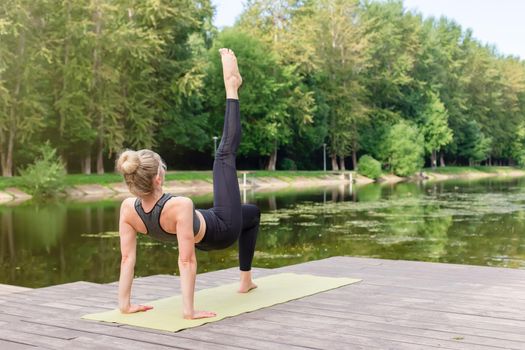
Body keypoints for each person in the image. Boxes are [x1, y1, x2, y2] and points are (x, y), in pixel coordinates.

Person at [115, 48, 260, 320]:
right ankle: (232, 86)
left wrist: (125, 305)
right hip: (223, 229)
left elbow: (126, 260)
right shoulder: (180, 205)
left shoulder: (127, 209)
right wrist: (189, 312)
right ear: (158, 177)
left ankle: (246, 280)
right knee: (224, 154)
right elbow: (186, 260)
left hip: (211, 231)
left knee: (251, 214)